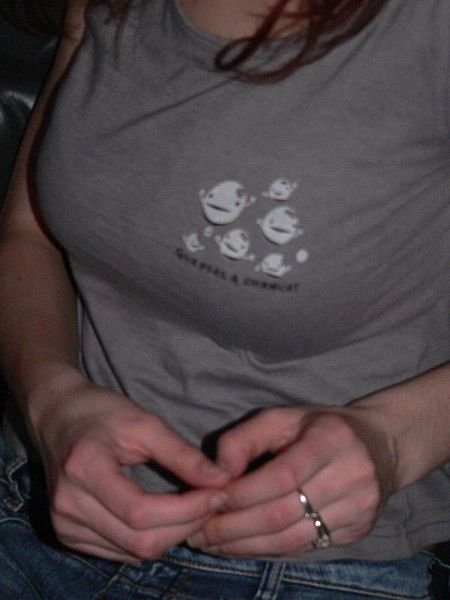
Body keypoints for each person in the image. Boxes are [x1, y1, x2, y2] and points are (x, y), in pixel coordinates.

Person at [0, 0, 449, 597]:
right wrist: (52, 401)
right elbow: (28, 235)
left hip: (326, 564)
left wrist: (393, 443)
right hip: (32, 494)